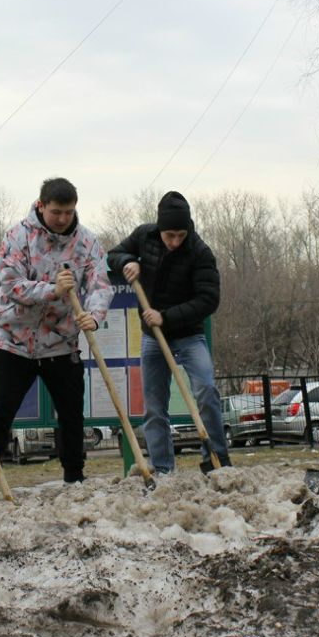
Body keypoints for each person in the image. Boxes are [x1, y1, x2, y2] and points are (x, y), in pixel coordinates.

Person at [0, 178, 112, 492]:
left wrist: (94, 314)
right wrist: (53, 290)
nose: (62, 218)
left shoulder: (88, 243)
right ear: (41, 205)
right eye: (55, 212)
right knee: (1, 410)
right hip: (14, 339)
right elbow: (11, 285)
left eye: (68, 211)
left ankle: (74, 476)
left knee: (72, 411)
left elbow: (100, 285)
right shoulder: (17, 236)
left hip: (61, 342)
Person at [107, 191, 231, 474]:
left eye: (180, 235)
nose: (175, 242)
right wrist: (127, 261)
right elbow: (114, 254)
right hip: (152, 337)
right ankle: (162, 467)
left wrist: (166, 317)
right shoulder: (144, 235)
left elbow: (208, 300)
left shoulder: (200, 252)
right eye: (169, 236)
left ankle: (216, 461)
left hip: (189, 334)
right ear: (160, 229)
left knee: (206, 390)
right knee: (153, 405)